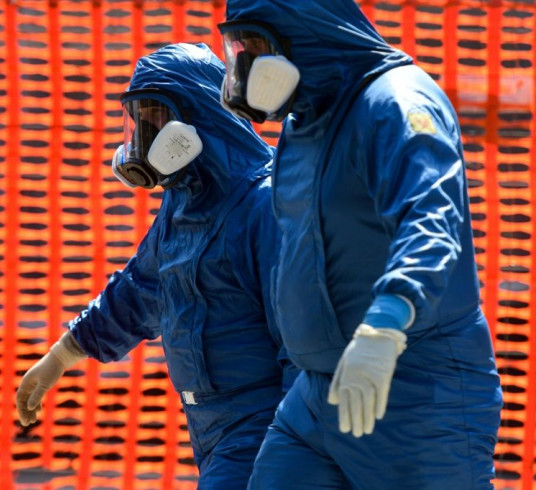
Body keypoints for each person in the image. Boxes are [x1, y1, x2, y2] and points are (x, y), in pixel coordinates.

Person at [217, 1, 502, 488]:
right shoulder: (303, 126)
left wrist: (384, 325)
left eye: (253, 47)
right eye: (236, 50)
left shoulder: (395, 102)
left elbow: (431, 218)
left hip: (414, 390)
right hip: (317, 393)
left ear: (301, 34)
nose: (241, 68)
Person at [16, 43, 297, 489]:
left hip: (261, 427)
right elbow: (141, 288)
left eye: (153, 121)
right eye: (137, 122)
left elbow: (301, 336)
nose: (141, 140)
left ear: (197, 118)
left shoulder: (262, 205)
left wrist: (295, 442)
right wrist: (64, 353)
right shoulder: (184, 205)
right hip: (211, 424)